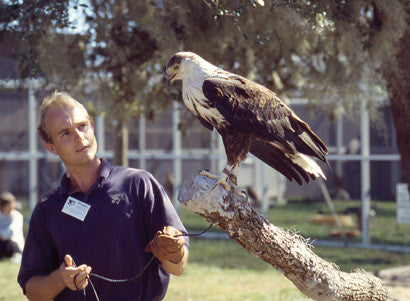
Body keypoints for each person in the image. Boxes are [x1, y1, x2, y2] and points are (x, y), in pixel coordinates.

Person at [18, 92, 189, 301]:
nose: (80, 137)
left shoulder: (138, 184)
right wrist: (62, 279)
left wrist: (175, 251)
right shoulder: (47, 209)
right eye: (65, 133)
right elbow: (33, 291)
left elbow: (178, 268)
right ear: (51, 147)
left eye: (82, 126)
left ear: (92, 125)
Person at [0, 191, 24, 262]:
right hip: (1, 244)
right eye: (9, 206)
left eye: (13, 205)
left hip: (14, 245)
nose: (12, 208)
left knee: (10, 244)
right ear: (2, 206)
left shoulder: (17, 216)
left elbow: (11, 232)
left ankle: (17, 255)